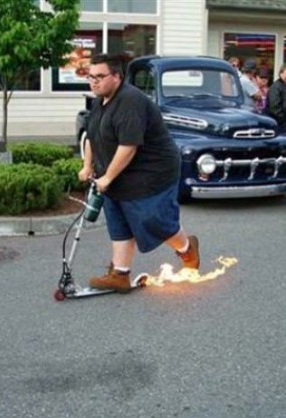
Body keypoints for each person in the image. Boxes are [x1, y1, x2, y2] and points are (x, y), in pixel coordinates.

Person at [78, 53, 200, 293]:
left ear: (117, 76)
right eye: (90, 77)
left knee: (154, 220)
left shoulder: (130, 101)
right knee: (118, 219)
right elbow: (93, 135)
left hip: (151, 172)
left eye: (100, 76)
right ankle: (120, 274)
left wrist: (108, 177)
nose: (94, 82)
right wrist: (88, 165)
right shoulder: (100, 102)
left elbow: (129, 146)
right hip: (120, 173)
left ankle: (187, 249)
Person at [267, 62, 286, 133]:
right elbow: (274, 107)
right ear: (280, 74)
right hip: (278, 123)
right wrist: (284, 121)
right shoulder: (276, 87)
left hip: (285, 123)